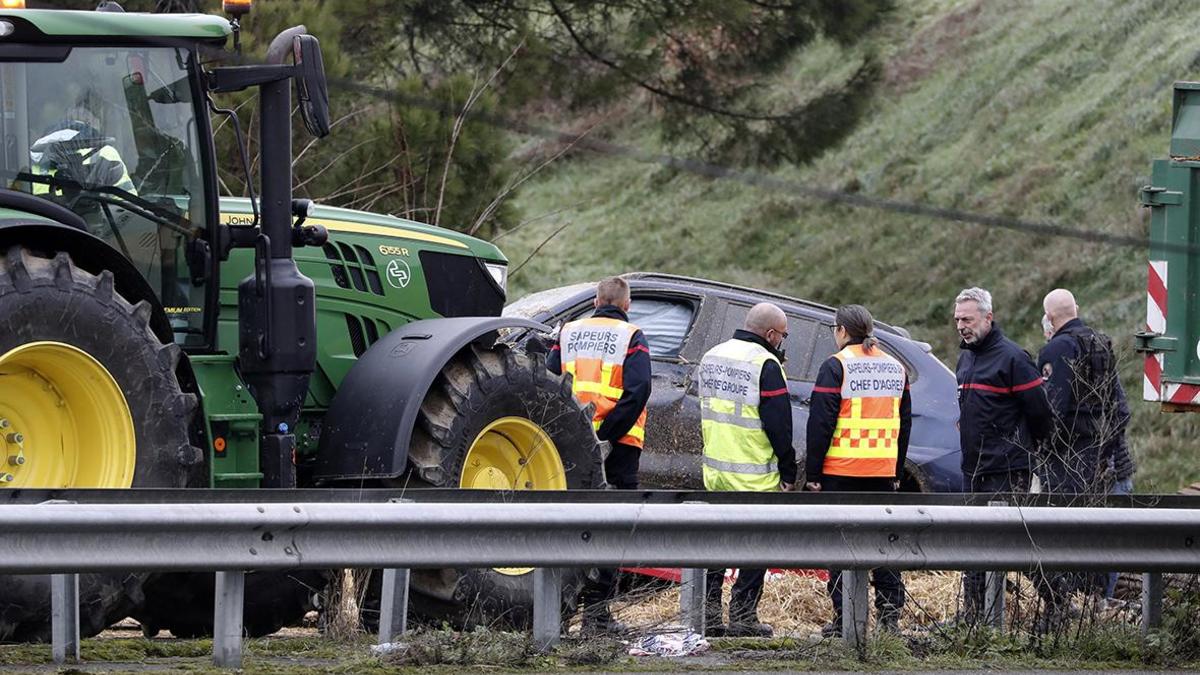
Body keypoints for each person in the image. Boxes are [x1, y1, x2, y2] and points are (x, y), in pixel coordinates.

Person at [548, 275, 652, 635]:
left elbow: (549, 383)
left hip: (568, 444)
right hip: (618, 446)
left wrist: (578, 434)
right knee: (612, 527)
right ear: (626, 305)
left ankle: (557, 614)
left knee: (568, 523)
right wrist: (605, 436)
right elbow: (638, 391)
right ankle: (596, 615)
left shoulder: (568, 332)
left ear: (596, 300)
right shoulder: (632, 336)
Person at [805, 304, 910, 637]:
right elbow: (903, 425)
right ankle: (889, 618)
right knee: (884, 545)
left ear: (841, 331)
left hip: (841, 471)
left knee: (842, 546)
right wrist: (896, 470)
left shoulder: (836, 366)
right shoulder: (896, 368)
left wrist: (813, 474)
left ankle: (844, 620)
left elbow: (820, 423)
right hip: (880, 472)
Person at [953, 287, 1053, 622]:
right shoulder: (965, 357)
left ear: (988, 317)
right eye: (957, 320)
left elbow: (1040, 413)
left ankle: (1058, 601)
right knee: (973, 545)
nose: (961, 326)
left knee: (1013, 543)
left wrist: (1026, 451)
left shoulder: (1013, 359)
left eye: (967, 319)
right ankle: (973, 616)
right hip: (974, 468)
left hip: (1008, 469)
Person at [698, 302, 797, 638]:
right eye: (782, 335)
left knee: (715, 546)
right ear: (770, 334)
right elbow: (779, 425)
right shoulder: (765, 364)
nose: (782, 342)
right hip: (755, 475)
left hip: (715, 472)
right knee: (757, 545)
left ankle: (708, 614)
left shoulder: (713, 355)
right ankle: (742, 616)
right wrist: (788, 469)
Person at [1038, 288, 1136, 607]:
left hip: (1075, 469)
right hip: (1114, 466)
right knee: (1106, 546)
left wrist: (1043, 455)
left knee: (1071, 545)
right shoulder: (1100, 344)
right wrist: (1105, 453)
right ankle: (1099, 613)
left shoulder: (1058, 349)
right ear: (1075, 309)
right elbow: (1121, 410)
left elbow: (1053, 414)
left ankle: (1077, 615)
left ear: (1050, 318)